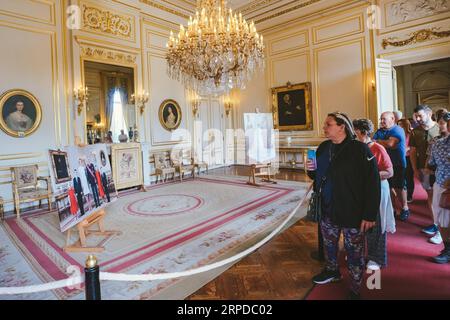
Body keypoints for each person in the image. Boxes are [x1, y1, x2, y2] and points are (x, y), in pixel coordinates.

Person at [307, 112, 380, 300]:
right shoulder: (323, 148)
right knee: (329, 245)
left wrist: (370, 215)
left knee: (354, 252)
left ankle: (355, 287)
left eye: (328, 124)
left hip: (352, 211)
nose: (324, 127)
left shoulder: (360, 150)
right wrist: (311, 170)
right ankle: (332, 271)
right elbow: (318, 177)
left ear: (342, 127)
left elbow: (373, 184)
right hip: (328, 209)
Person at [353, 118, 395, 271]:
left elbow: (390, 172)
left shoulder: (377, 148)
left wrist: (371, 175)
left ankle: (376, 258)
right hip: (359, 191)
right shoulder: (354, 147)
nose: (353, 133)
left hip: (377, 190)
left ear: (362, 132)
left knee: (376, 224)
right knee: (359, 224)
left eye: (355, 130)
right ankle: (359, 253)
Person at [373, 111, 409, 221]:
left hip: (397, 163)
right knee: (388, 187)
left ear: (393, 119)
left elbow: (390, 144)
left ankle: (405, 208)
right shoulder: (380, 131)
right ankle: (393, 209)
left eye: (384, 119)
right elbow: (373, 142)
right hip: (384, 164)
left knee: (399, 187)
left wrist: (379, 141)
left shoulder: (397, 129)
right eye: (381, 119)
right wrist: (381, 141)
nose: (382, 121)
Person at [410, 105, 440, 233]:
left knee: (442, 196)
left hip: (440, 169)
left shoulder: (440, 128)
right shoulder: (415, 131)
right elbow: (412, 152)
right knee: (430, 196)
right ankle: (435, 223)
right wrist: (415, 169)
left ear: (429, 114)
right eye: (416, 116)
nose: (417, 119)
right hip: (423, 168)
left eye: (420, 116)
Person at [423, 109, 449, 245]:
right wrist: (428, 169)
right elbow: (430, 161)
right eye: (440, 123)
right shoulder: (436, 142)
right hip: (441, 181)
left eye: (443, 123)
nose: (441, 125)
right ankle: (446, 246)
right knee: (441, 214)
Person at [398, 119, 414, 202]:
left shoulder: (411, 134)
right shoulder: (397, 134)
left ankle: (409, 195)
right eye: (398, 124)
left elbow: (412, 146)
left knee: (409, 177)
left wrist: (405, 149)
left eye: (401, 124)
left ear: (405, 125)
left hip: (408, 157)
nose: (399, 126)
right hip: (400, 157)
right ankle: (403, 193)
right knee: (401, 176)